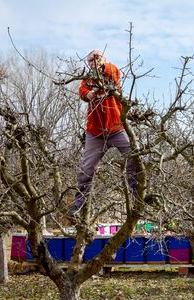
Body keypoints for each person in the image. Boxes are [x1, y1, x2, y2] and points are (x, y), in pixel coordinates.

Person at [69, 50, 137, 217]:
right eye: (90, 60)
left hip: (116, 128)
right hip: (95, 132)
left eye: (97, 58)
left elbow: (114, 73)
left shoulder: (111, 70)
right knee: (86, 168)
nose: (94, 62)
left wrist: (101, 67)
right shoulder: (87, 79)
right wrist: (88, 94)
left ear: (104, 59)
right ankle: (79, 202)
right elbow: (82, 92)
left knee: (134, 155)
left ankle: (137, 193)